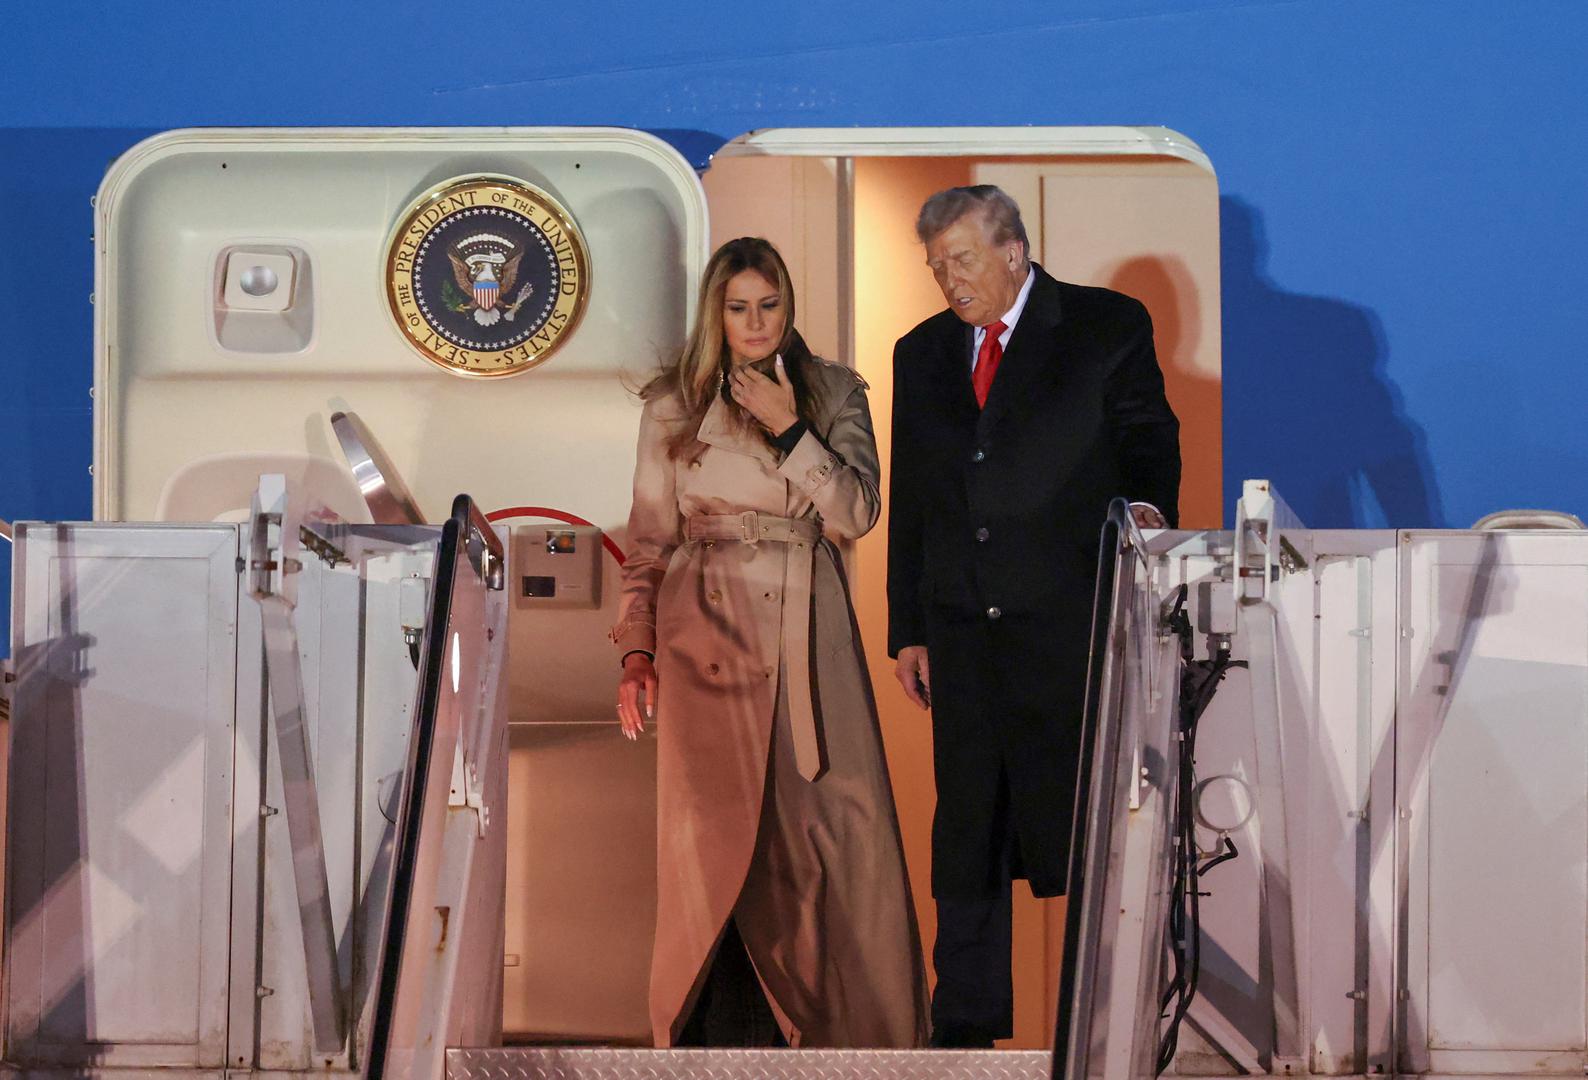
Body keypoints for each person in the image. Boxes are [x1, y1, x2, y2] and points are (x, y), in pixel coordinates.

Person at [612, 237, 929, 1049]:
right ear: (715, 313)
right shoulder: (674, 404)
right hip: (704, 634)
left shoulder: (833, 391)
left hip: (807, 635)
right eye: (739, 308)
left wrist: (791, 429)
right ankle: (708, 1045)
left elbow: (857, 515)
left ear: (788, 305)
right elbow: (648, 544)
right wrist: (636, 653)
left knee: (833, 837)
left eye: (770, 305)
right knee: (712, 843)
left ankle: (851, 1045)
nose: (756, 323)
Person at [886, 185, 1181, 1047]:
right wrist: (909, 627)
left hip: (1071, 624)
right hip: (962, 628)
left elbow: (1147, 436)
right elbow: (914, 500)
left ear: (1014, 251)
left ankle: (1111, 1022)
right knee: (967, 828)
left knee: (1086, 825)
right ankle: (963, 1028)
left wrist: (1148, 513)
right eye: (937, 266)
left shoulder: (1103, 326)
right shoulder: (921, 352)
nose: (949, 279)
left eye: (963, 259)